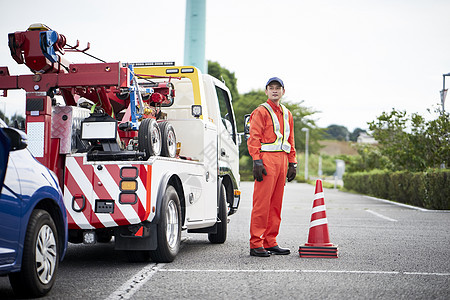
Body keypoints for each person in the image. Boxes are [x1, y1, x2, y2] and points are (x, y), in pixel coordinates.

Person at [247, 77, 297, 257]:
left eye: (278, 88)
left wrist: (293, 162)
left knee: (276, 204)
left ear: (284, 91)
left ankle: (270, 241)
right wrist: (256, 160)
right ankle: (256, 243)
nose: (275, 90)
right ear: (266, 91)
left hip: (282, 161)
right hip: (267, 161)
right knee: (262, 203)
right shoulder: (260, 111)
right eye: (271, 88)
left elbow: (290, 140)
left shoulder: (287, 113)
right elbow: (254, 137)